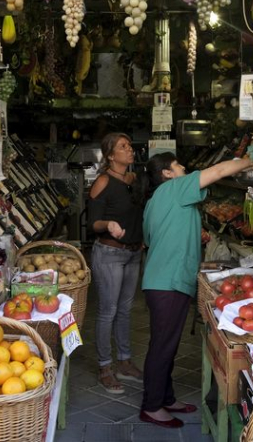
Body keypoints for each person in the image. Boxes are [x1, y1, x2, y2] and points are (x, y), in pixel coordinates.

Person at [139, 152, 252, 428]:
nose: (184, 166)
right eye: (178, 164)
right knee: (162, 346)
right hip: (168, 282)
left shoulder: (155, 201)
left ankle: (165, 397)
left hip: (161, 281)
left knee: (167, 343)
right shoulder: (175, 188)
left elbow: (149, 240)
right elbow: (220, 169)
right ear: (167, 173)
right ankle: (151, 406)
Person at [87, 132, 145, 394]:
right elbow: (93, 223)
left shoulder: (132, 180)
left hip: (133, 254)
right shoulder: (102, 181)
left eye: (130, 146)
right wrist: (108, 225)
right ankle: (104, 367)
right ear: (111, 155)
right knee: (108, 311)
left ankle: (124, 361)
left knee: (125, 310)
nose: (129, 150)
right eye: (123, 147)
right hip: (110, 254)